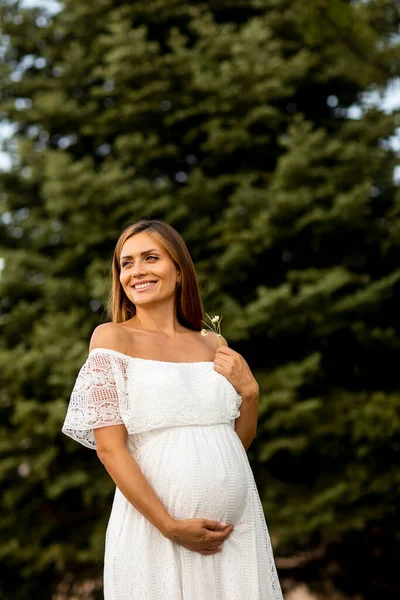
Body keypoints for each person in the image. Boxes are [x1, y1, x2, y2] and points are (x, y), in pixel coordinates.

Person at [62, 219, 283, 600]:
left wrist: (250, 395)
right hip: (157, 531)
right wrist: (169, 526)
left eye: (151, 258)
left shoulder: (212, 343)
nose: (137, 271)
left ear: (178, 271)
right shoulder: (113, 337)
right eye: (126, 263)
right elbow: (109, 448)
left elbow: (233, 445)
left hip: (234, 532)